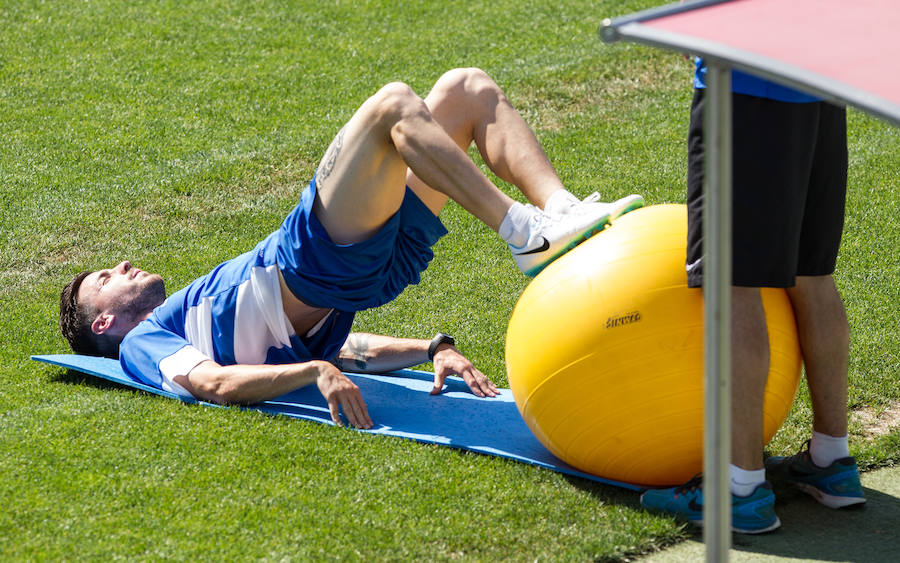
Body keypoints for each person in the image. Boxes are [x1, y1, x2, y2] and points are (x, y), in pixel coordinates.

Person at [58, 68, 643, 429]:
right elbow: (213, 385)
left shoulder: (194, 320)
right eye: (106, 278)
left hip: (359, 278)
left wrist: (431, 346)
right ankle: (527, 233)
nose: (123, 264)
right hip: (313, 261)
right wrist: (314, 370)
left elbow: (350, 348)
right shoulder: (142, 341)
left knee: (465, 89)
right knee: (392, 104)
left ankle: (560, 211)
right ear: (104, 321)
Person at [640, 60, 865, 533]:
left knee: (730, 281)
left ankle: (738, 489)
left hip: (746, 90)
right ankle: (831, 460)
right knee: (812, 274)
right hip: (822, 84)